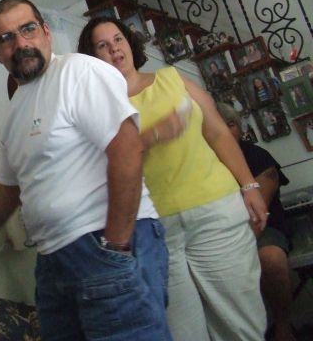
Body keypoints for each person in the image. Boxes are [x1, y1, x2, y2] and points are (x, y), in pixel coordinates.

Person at [0, 0, 171, 340]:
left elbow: (126, 149)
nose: (21, 43)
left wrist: (116, 246)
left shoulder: (78, 72)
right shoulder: (17, 108)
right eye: (6, 38)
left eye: (28, 29)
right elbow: (7, 191)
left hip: (103, 244)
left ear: (46, 32)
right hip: (52, 262)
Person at [78, 17, 268, 341]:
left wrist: (249, 185)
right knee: (183, 333)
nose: (114, 49)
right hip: (153, 230)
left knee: (240, 325)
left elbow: (218, 132)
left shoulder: (172, 78)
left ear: (130, 43)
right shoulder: (95, 108)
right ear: (93, 57)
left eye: (118, 39)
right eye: (102, 45)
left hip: (215, 212)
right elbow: (99, 167)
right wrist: (152, 135)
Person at [217, 103, 295, 341]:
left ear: (238, 128)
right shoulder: (205, 164)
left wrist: (235, 252)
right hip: (221, 233)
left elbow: (257, 214)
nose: (227, 131)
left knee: (271, 258)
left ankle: (283, 326)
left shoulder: (257, 156)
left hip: (263, 229)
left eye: (231, 125)